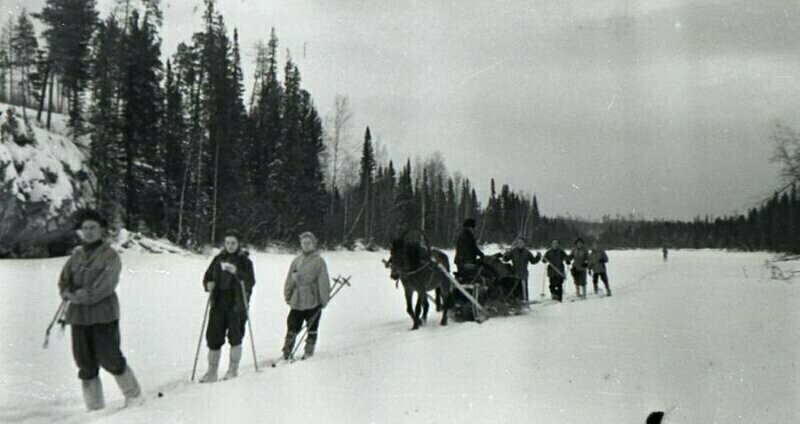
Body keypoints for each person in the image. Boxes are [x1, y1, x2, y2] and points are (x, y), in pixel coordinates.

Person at [57, 209, 143, 410]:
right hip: (78, 317)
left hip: (103, 315)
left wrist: (76, 296)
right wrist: (67, 292)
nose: (88, 232)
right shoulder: (76, 256)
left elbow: (104, 286)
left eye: (93, 228)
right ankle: (94, 407)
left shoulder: (110, 255)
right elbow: (64, 281)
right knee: (84, 363)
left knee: (109, 357)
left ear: (102, 230)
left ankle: (134, 395)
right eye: (85, 228)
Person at [199, 230, 255, 383]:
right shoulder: (218, 259)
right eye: (228, 243)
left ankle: (233, 369)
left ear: (238, 244)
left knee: (235, 336)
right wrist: (208, 284)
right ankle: (212, 372)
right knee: (213, 337)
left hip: (237, 303)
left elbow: (250, 281)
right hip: (218, 301)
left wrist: (236, 272)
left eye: (233, 243)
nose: (230, 246)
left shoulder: (245, 261)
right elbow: (208, 276)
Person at [282, 232, 331, 360]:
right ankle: (287, 350)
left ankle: (309, 350)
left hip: (313, 299)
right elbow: (290, 279)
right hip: (297, 299)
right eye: (304, 243)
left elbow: (323, 281)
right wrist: (288, 294)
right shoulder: (296, 261)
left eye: (309, 243)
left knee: (312, 325)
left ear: (314, 244)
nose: (306, 245)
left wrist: (323, 299)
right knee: (292, 324)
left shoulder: (319, 261)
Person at [502, 236, 542, 301]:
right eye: (518, 243)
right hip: (514, 273)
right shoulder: (513, 251)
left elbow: (533, 261)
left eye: (521, 243)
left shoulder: (527, 252)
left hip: (523, 274)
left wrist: (538, 257)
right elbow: (506, 259)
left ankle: (525, 300)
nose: (520, 244)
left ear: (524, 244)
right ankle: (516, 301)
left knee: (524, 289)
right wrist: (505, 255)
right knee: (515, 288)